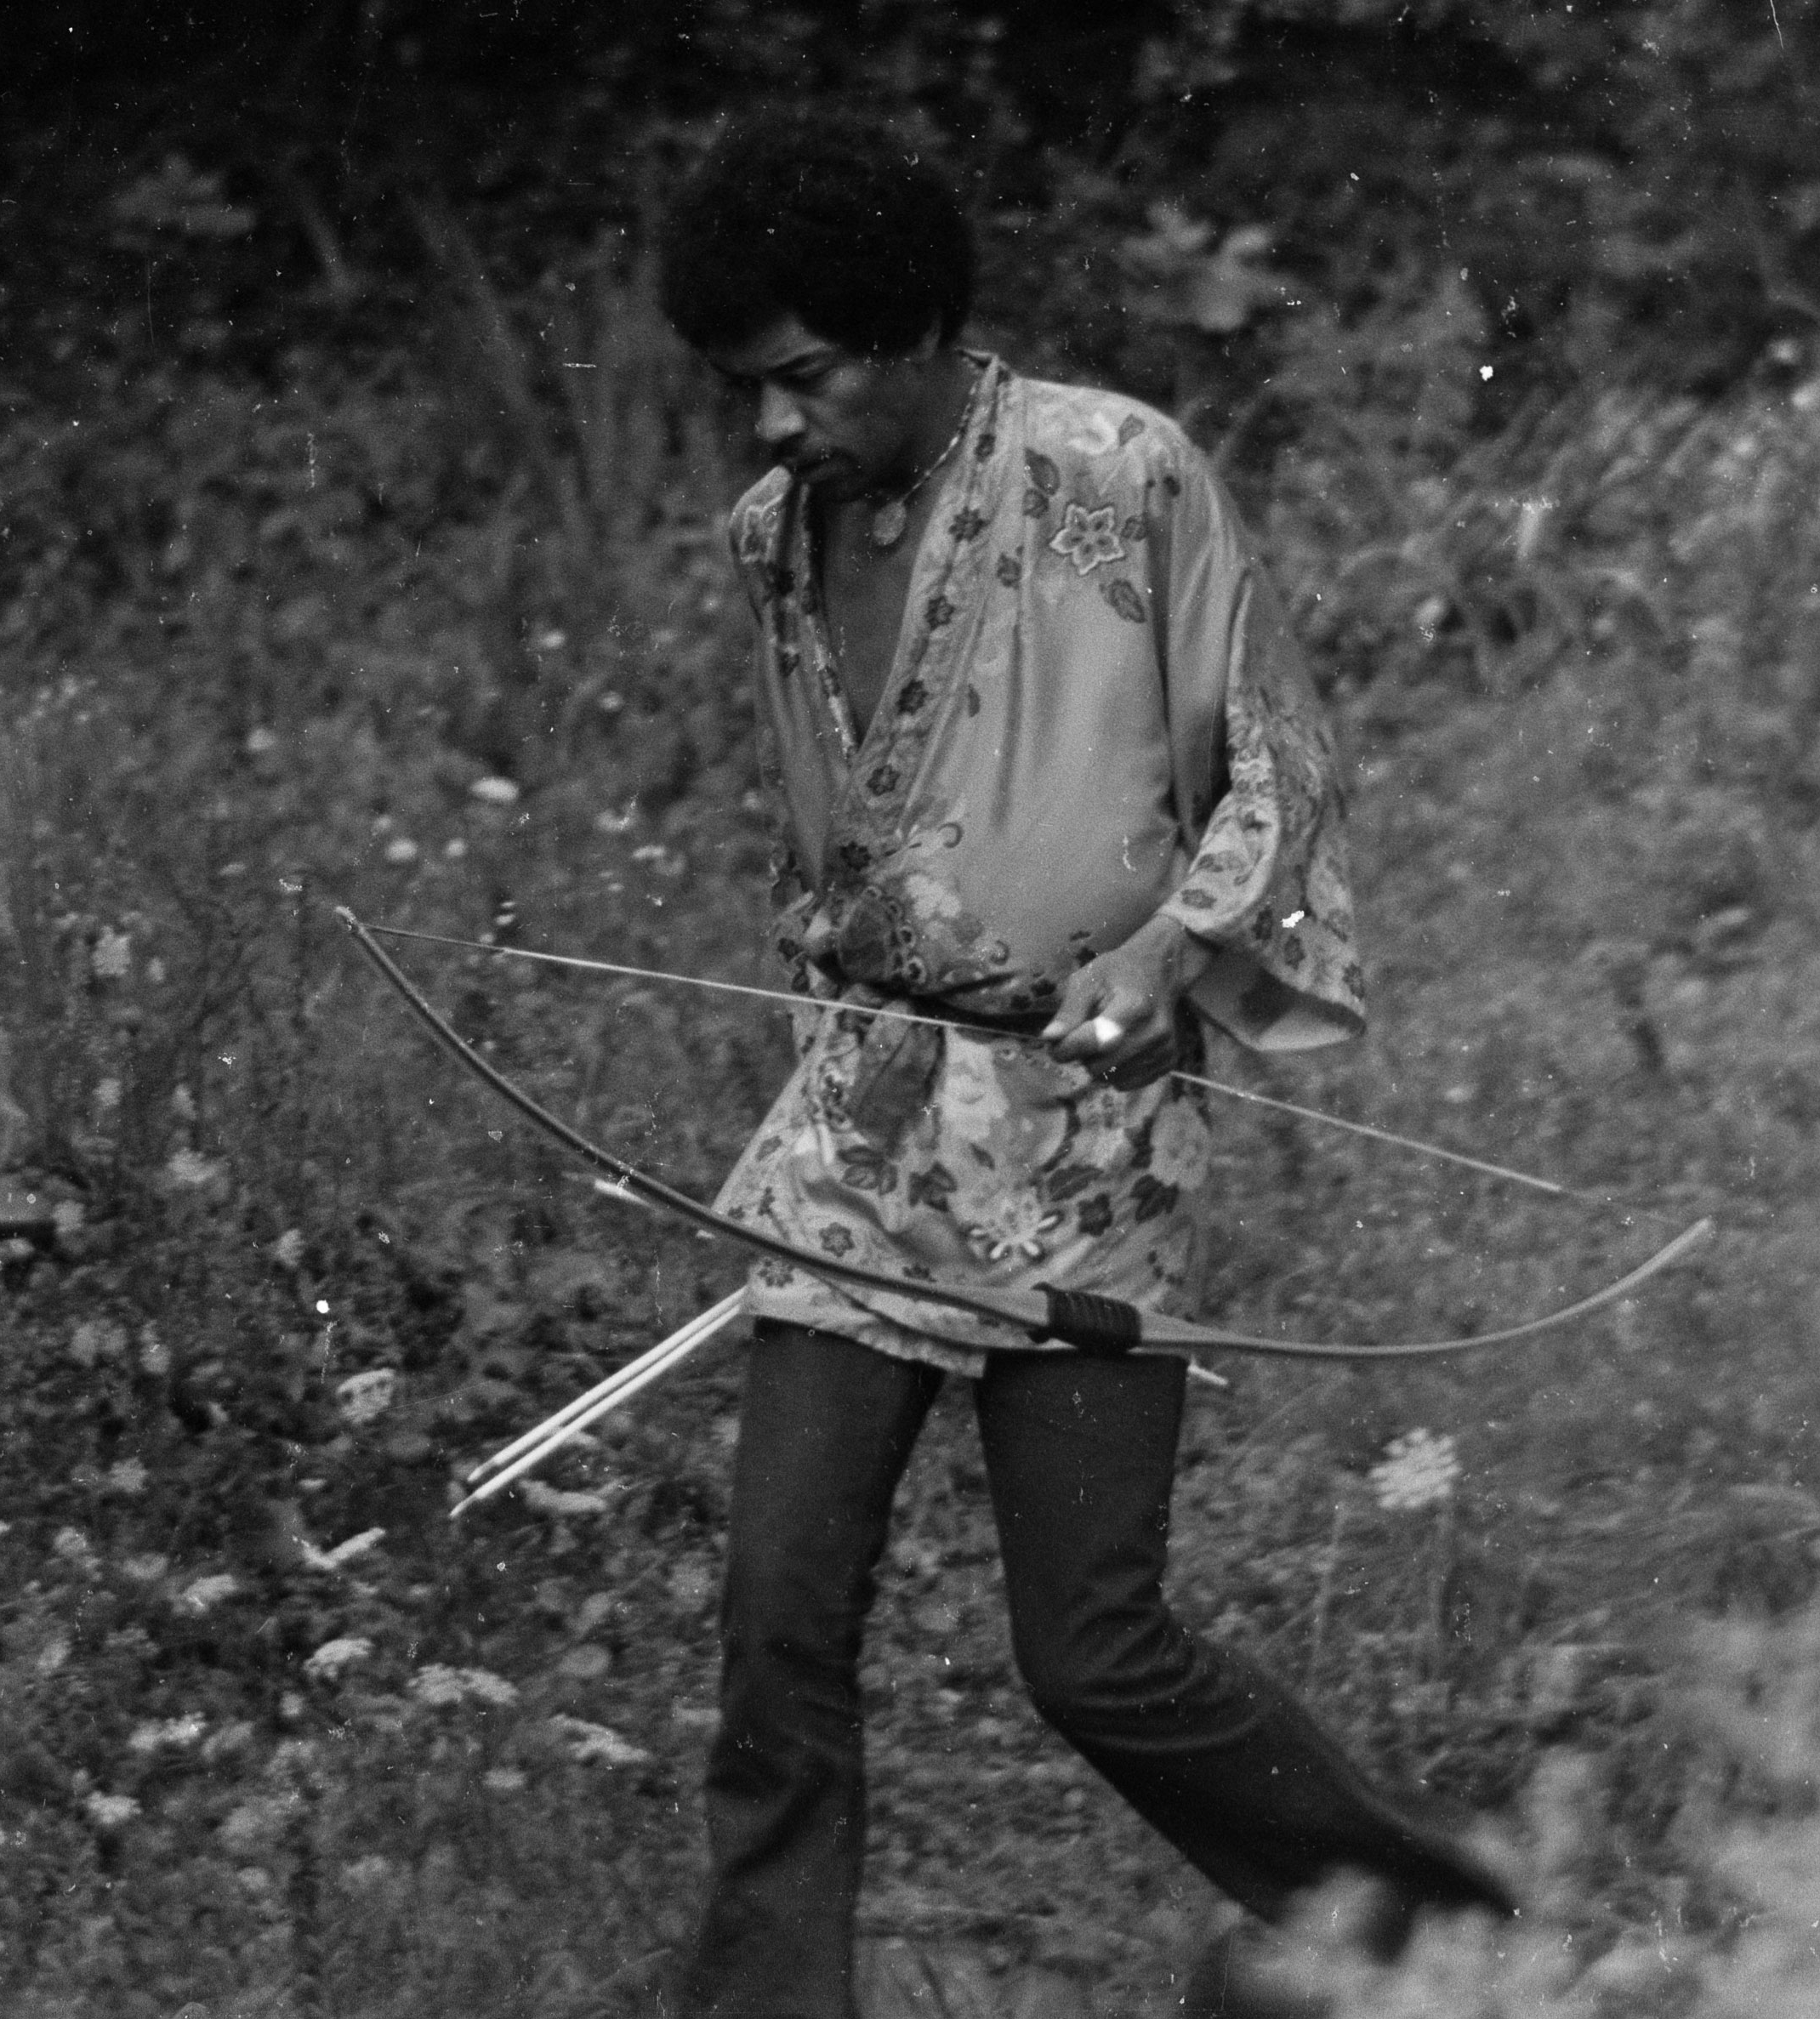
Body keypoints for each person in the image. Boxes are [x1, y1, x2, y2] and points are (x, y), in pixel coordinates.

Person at [655, 111, 1514, 2019]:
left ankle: (1421, 1917)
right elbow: (838, 839)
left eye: (805, 376)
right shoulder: (770, 539)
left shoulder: (1118, 470)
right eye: (747, 390)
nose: (774, 426)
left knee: (1092, 1648)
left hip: (1079, 1132)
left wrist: (1163, 945)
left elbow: (1275, 756)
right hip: (863, 1129)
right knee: (778, 1616)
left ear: (917, 323)